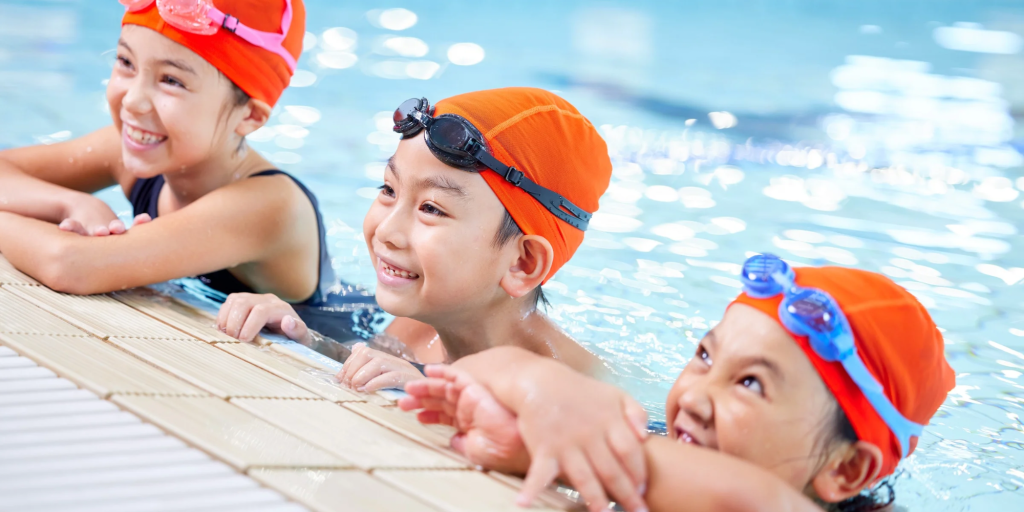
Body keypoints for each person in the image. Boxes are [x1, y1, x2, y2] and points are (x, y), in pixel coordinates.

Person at [400, 255, 956, 512]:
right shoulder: (655, 438)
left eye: (751, 385)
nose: (694, 395)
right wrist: (543, 386)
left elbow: (751, 503)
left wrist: (563, 449)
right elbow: (467, 375)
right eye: (704, 355)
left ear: (847, 470)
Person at [217, 87, 614, 390]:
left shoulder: (559, 385)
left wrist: (424, 388)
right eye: (388, 189)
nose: (386, 231)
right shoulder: (419, 324)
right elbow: (364, 360)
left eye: (432, 209)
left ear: (522, 263)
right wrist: (298, 335)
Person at [0, 0, 337, 305]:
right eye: (125, 62)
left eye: (171, 81)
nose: (133, 100)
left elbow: (70, 265)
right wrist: (71, 202)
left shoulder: (269, 205)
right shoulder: (137, 146)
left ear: (248, 115)